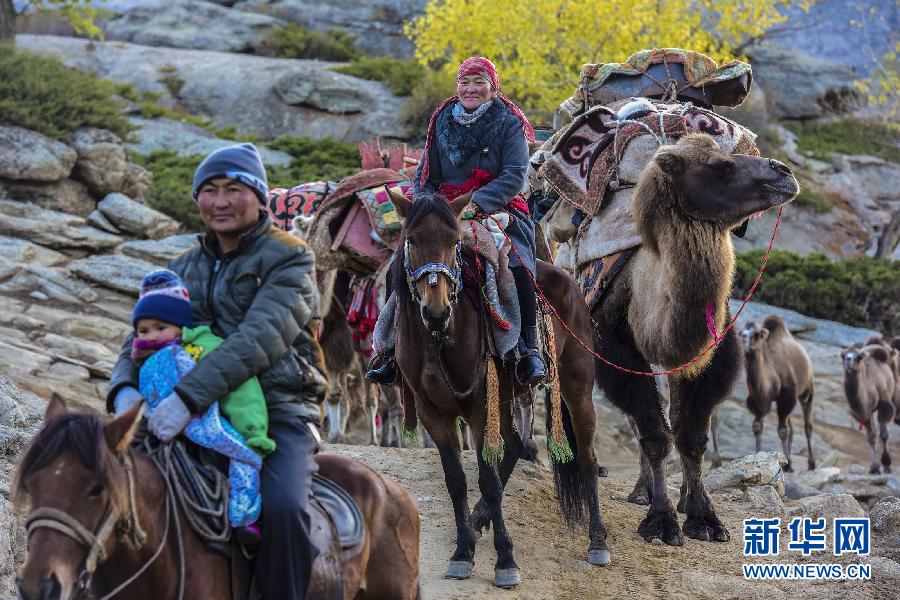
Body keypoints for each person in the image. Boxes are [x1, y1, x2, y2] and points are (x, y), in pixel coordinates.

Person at [108, 143, 325, 600]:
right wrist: (124, 391)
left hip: (275, 409)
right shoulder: (181, 267)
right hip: (174, 411)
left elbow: (260, 339)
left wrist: (187, 397)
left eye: (233, 189)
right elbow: (141, 336)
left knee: (284, 509)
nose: (221, 201)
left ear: (261, 197)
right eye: (209, 190)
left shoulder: (291, 257)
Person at [366, 56, 546, 386]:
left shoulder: (509, 122)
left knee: (517, 263)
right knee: (401, 263)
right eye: (464, 82)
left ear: (493, 88)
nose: (471, 89)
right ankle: (390, 349)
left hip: (496, 205)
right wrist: (427, 205)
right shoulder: (442, 119)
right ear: (457, 87)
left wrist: (475, 203)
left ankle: (528, 349)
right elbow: (424, 174)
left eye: (479, 82)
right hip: (444, 209)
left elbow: (515, 176)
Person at [130, 268, 274, 544]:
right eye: (144, 330)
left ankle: (245, 517)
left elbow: (244, 393)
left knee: (246, 461)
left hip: (208, 422)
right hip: (160, 425)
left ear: (181, 328)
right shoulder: (145, 355)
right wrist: (123, 391)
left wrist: (253, 432)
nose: (154, 336)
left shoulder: (194, 351)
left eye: (161, 328)